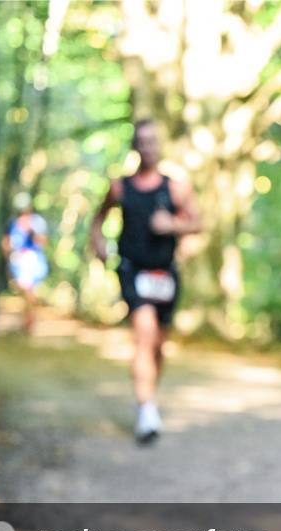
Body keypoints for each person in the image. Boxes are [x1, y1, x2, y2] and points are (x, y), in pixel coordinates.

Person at [90, 119, 201, 444]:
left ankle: (148, 395)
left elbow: (197, 223)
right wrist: (97, 242)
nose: (149, 146)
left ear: (160, 146)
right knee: (144, 333)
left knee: (158, 344)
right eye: (143, 141)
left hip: (165, 273)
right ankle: (146, 408)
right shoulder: (120, 187)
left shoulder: (176, 186)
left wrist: (172, 226)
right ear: (135, 147)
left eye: (154, 141)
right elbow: (99, 219)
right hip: (131, 269)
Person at [2, 192, 49, 333]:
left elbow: (43, 241)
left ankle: (29, 320)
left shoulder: (37, 222)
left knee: (28, 289)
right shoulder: (12, 223)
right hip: (18, 260)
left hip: (33, 259)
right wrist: (9, 255)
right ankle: (28, 318)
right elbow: (6, 242)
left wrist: (32, 232)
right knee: (26, 290)